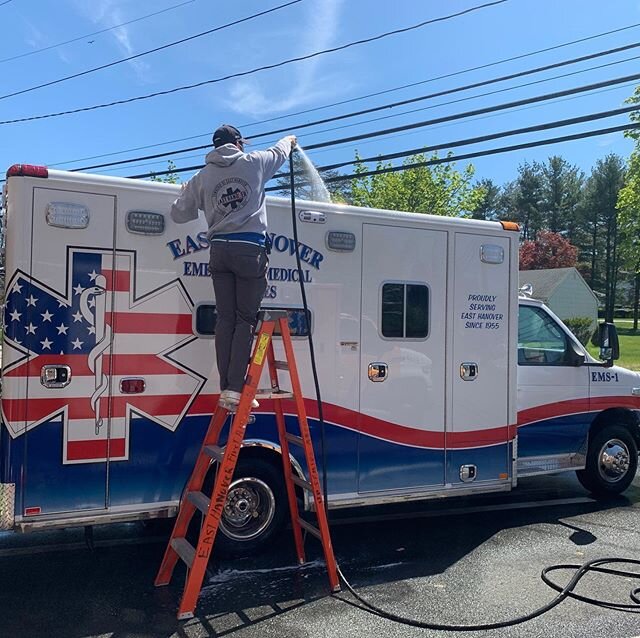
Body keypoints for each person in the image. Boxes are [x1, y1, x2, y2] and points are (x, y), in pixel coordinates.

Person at [170, 124, 296, 409]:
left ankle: (228, 387)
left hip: (219, 252)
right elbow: (280, 151)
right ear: (239, 143)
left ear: (215, 146)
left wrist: (187, 194)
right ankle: (236, 389)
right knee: (244, 319)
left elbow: (179, 213)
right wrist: (289, 139)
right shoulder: (254, 162)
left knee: (224, 319)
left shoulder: (202, 177)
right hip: (249, 250)